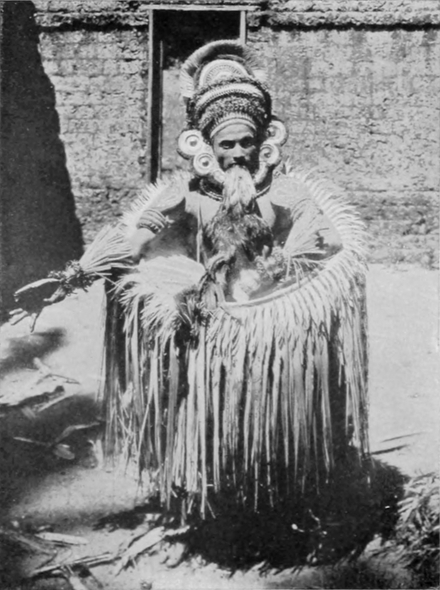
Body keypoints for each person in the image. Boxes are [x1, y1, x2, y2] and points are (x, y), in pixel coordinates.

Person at [13, 41, 369, 529]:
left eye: (246, 142)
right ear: (205, 145)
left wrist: (283, 264)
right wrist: (81, 273)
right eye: (226, 144)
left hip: (269, 320)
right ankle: (209, 501)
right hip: (206, 315)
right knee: (206, 410)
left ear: (264, 139)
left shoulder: (285, 190)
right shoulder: (187, 191)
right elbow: (140, 237)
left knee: (263, 415)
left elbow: (326, 238)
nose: (237, 153)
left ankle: (271, 501)